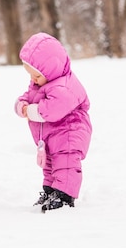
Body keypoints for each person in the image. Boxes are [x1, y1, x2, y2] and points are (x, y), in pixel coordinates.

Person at [14, 32, 92, 212]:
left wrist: (31, 110)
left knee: (65, 162)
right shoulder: (41, 83)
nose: (33, 80)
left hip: (69, 132)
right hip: (51, 134)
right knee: (50, 163)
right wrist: (21, 104)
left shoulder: (64, 86)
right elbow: (28, 96)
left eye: (37, 76)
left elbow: (50, 110)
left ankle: (64, 195)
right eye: (31, 75)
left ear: (51, 69)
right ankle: (50, 190)